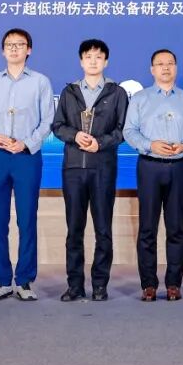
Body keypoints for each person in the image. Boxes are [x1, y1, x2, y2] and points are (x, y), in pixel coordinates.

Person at [0, 28, 55, 302]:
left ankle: (24, 280)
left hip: (26, 157)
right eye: (9, 44)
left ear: (29, 50)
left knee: (26, 219)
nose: (14, 48)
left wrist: (26, 143)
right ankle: (1, 280)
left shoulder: (41, 82)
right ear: (2, 50)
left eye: (20, 44)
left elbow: (47, 121)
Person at [52, 39, 130, 302]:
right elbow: (58, 126)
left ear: (106, 61)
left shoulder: (116, 93)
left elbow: (123, 130)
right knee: (74, 230)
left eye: (98, 57)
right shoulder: (69, 92)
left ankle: (99, 284)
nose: (93, 61)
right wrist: (75, 136)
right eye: (88, 56)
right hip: (74, 168)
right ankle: (74, 285)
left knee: (103, 230)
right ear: (81, 61)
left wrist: (101, 143)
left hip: (102, 168)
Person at [124, 49, 183, 301]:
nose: (165, 67)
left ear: (176, 68)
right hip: (149, 166)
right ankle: (149, 284)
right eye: (160, 64)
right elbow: (129, 131)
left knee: (176, 227)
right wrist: (150, 145)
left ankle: (174, 283)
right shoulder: (140, 99)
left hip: (178, 166)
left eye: (170, 63)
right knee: (147, 227)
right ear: (152, 70)